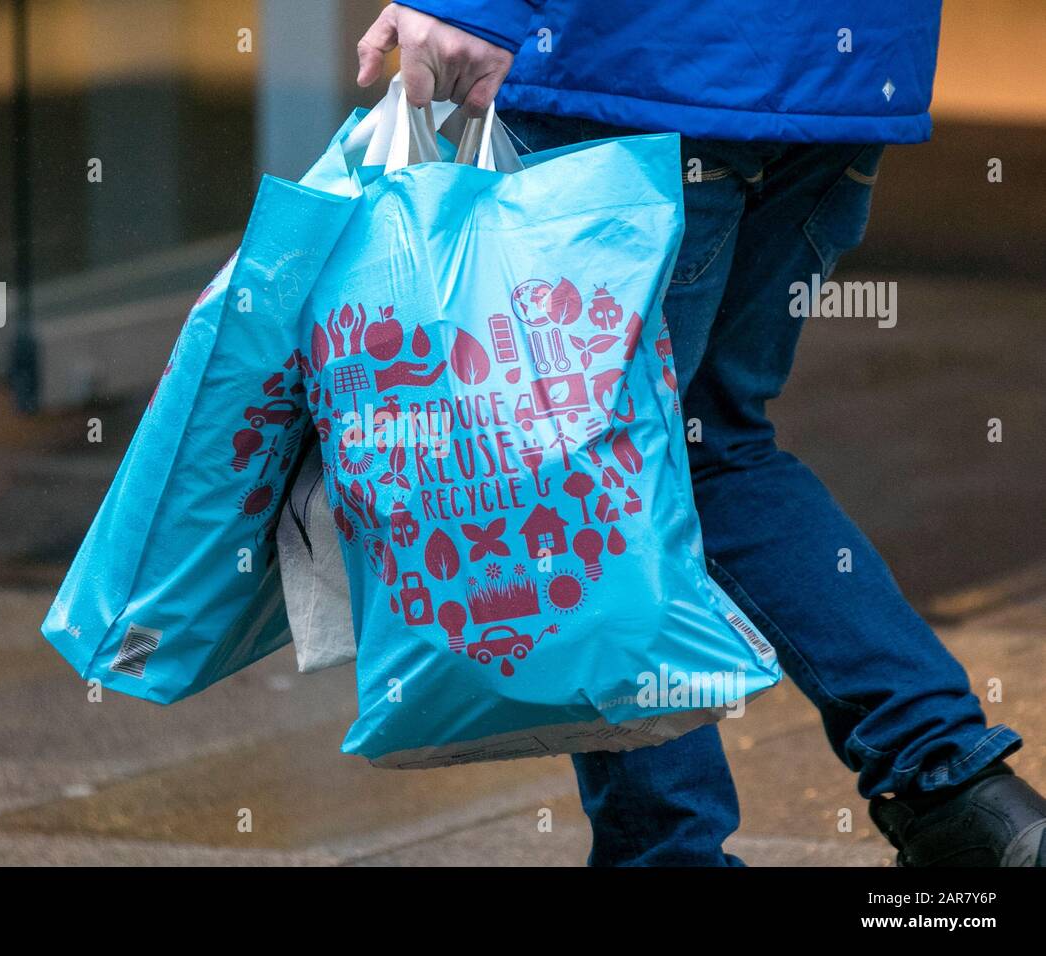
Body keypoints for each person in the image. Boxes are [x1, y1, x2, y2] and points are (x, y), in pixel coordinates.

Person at [356, 0, 1046, 867]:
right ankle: (961, 798)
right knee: (706, 445)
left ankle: (670, 855)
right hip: (836, 79)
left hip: (640, 70)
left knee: (606, 476)